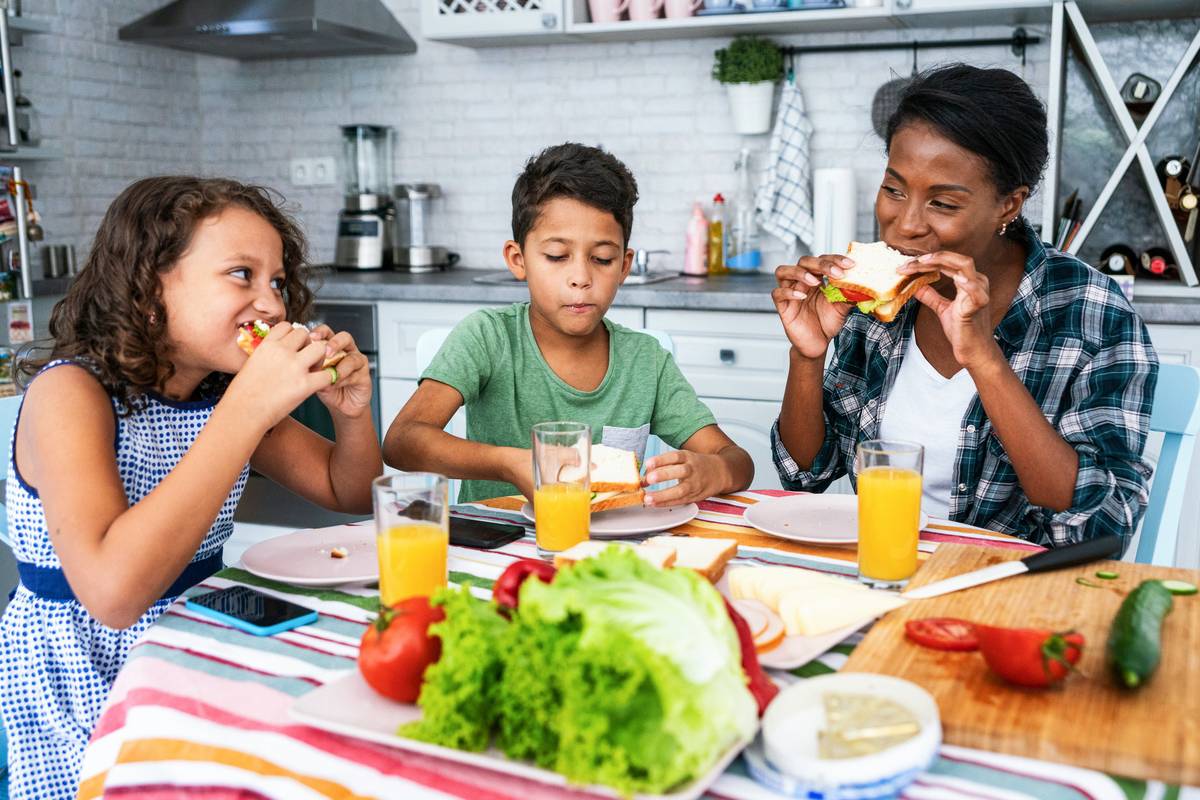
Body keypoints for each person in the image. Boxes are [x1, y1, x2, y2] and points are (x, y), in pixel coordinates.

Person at [0, 176, 383, 799]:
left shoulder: (221, 395)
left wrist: (350, 413)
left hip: (195, 634)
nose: (273, 305)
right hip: (78, 674)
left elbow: (349, 492)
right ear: (150, 288)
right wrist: (246, 413)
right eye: (241, 274)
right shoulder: (70, 393)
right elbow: (114, 594)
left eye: (277, 283)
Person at [771, 64, 1158, 549]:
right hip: (882, 565)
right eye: (894, 190)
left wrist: (984, 359)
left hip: (1012, 590)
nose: (905, 224)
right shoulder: (874, 304)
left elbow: (1101, 527)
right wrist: (807, 356)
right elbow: (806, 472)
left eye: (943, 204)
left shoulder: (1091, 311)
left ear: (1009, 206)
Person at [384, 142, 753, 504]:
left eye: (602, 259)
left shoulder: (646, 361)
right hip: (499, 548)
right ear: (518, 259)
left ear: (624, 266)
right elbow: (402, 441)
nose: (580, 277)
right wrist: (512, 464)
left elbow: (736, 460)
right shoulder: (488, 337)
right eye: (557, 256)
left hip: (613, 551)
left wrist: (713, 471)